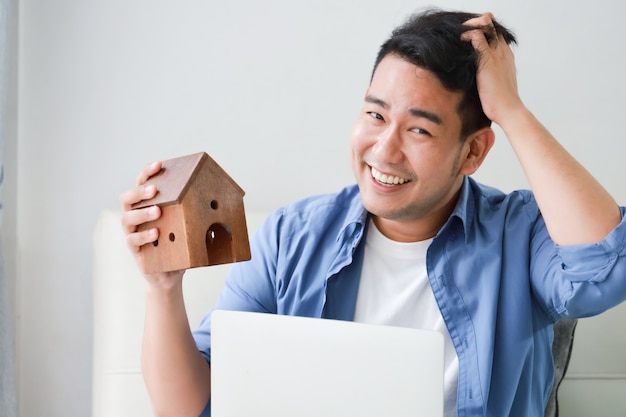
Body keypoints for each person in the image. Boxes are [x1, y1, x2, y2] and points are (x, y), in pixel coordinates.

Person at [120, 8, 626, 417]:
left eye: (420, 130)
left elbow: (604, 269)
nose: (383, 151)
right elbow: (193, 406)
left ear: (472, 153)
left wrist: (511, 110)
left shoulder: (521, 233)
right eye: (375, 114)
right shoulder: (290, 237)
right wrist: (162, 288)